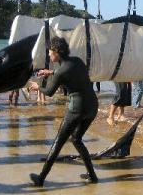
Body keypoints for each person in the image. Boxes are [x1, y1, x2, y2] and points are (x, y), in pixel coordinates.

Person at [28, 37, 98, 186]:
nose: (48, 54)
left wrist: (36, 87)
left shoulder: (61, 72)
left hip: (77, 108)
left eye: (50, 51)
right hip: (92, 106)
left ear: (57, 52)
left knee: (58, 142)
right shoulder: (77, 61)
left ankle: (40, 178)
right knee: (76, 139)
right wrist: (51, 72)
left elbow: (49, 92)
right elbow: (69, 71)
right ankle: (92, 176)